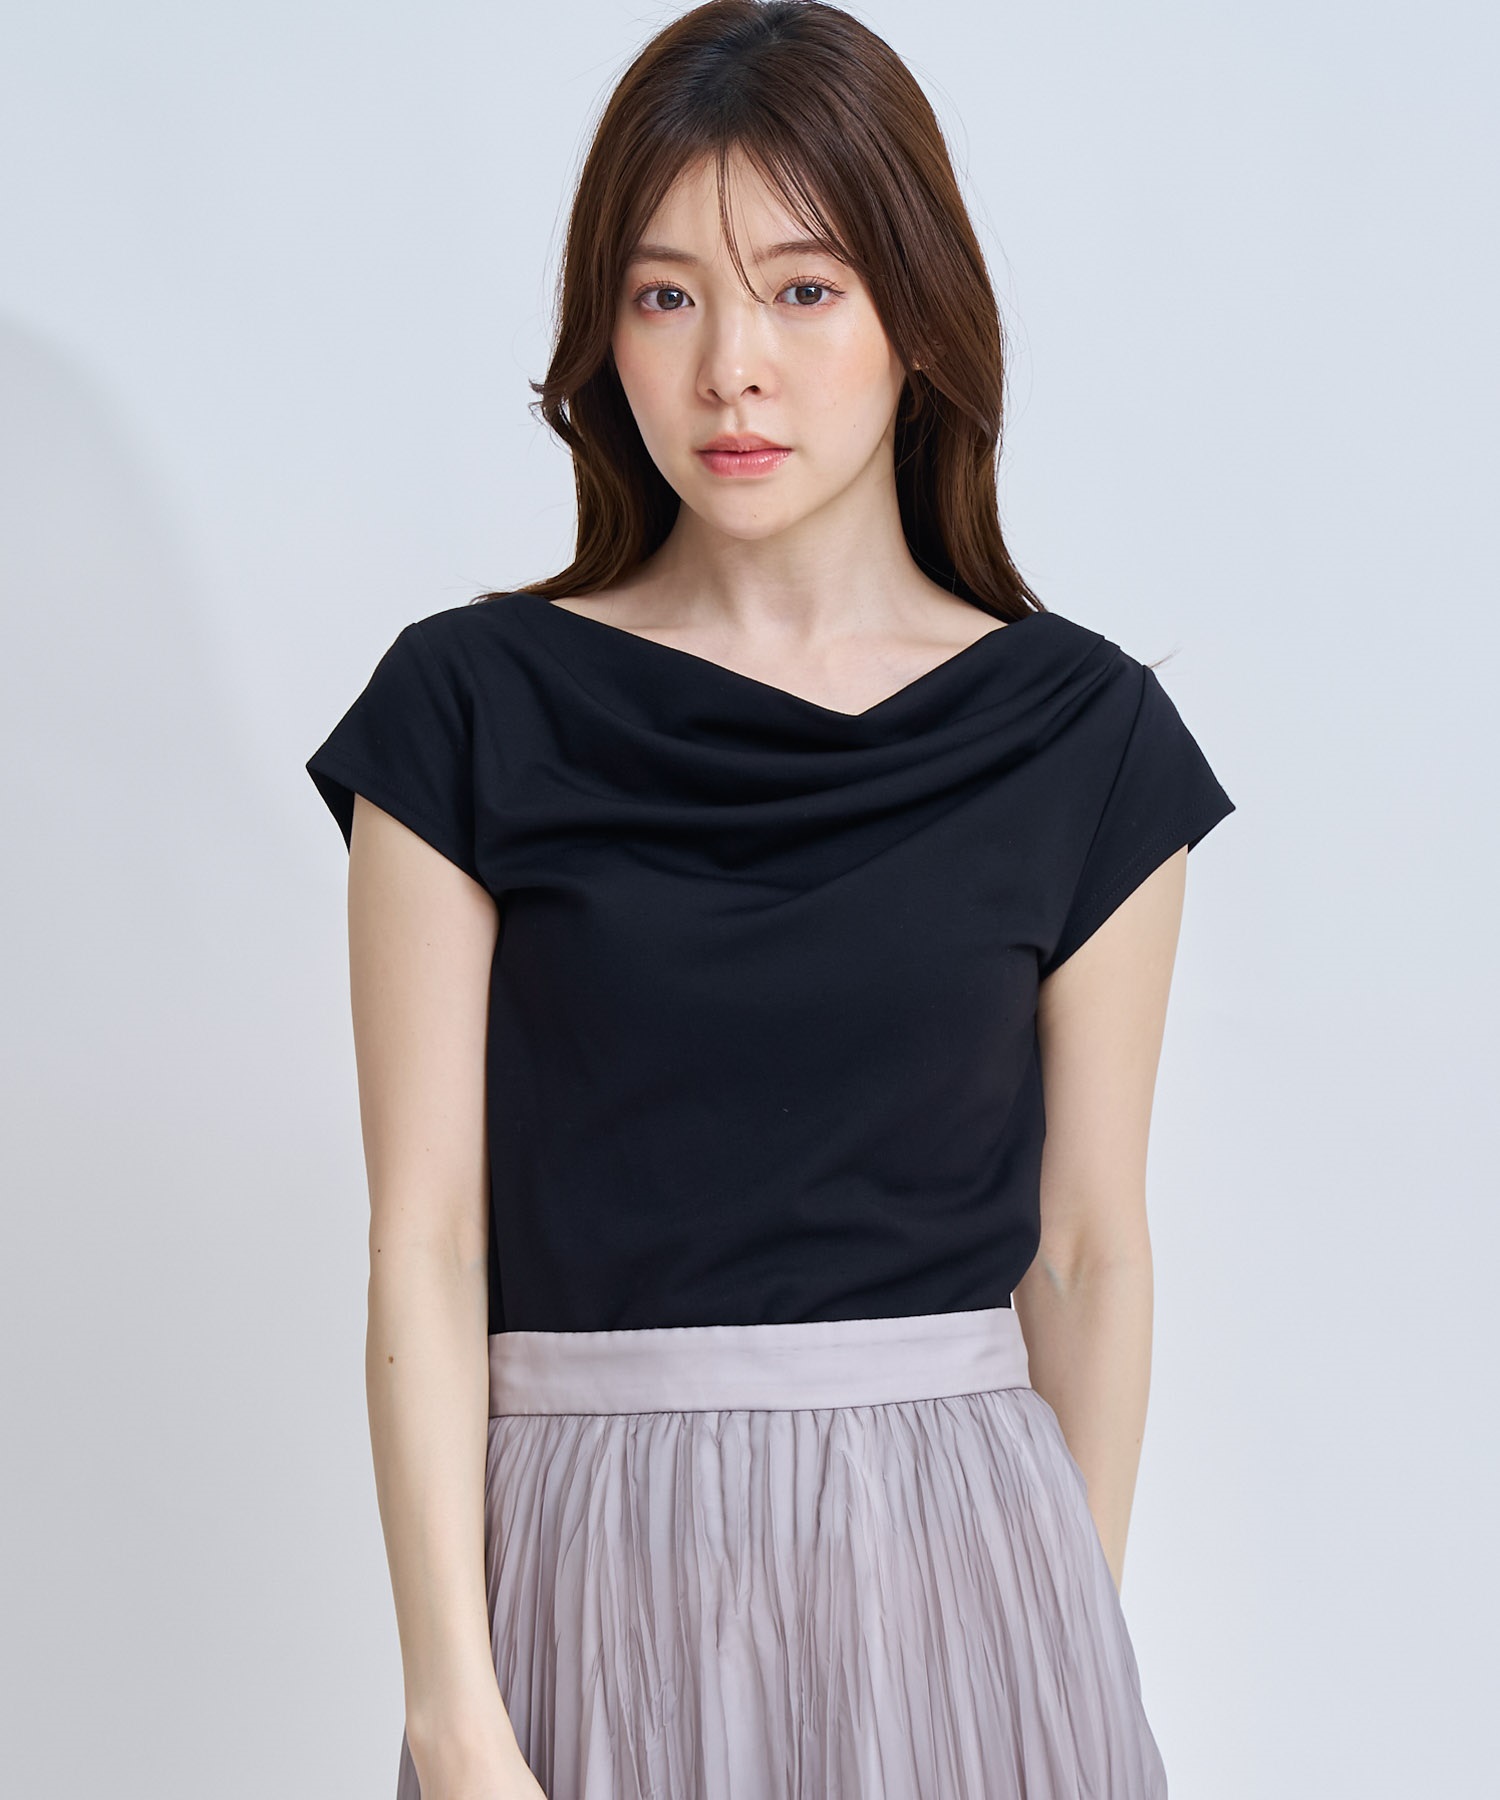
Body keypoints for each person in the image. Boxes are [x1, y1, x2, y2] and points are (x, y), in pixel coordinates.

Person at [305, 3, 1236, 1796]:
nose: (732, 366)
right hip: (589, 1569)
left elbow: (1086, 1250)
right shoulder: (468, 712)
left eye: (804, 290)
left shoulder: (1081, 735)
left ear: (918, 319)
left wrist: (1063, 1636)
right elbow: (426, 1237)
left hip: (969, 1580)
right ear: (605, 339)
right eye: (665, 296)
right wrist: (452, 1714)